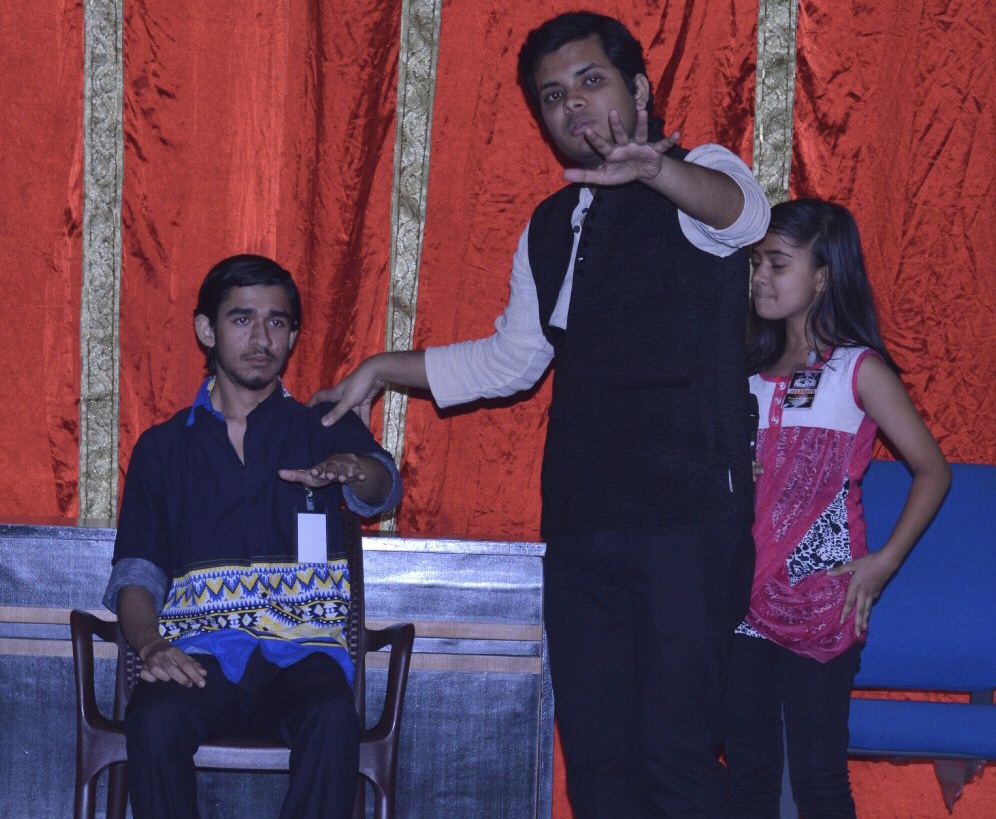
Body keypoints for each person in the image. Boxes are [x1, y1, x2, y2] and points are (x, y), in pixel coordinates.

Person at [311, 12, 770, 817]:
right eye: (554, 96)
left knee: (678, 754)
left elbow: (746, 216)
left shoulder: (700, 174)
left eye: (591, 82)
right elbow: (510, 361)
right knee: (596, 759)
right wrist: (384, 366)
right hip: (584, 524)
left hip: (690, 520)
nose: (574, 105)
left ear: (639, 89)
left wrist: (654, 170)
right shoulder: (553, 223)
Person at [102, 254, 402, 819]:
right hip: (198, 653)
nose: (261, 338)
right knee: (154, 717)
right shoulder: (163, 449)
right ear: (206, 330)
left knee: (332, 716)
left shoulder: (321, 426)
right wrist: (151, 645)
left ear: (293, 335)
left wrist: (353, 469)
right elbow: (137, 573)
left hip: (302, 654)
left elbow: (382, 487)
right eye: (242, 319)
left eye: (277, 322)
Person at [724, 200, 951, 819]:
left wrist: (883, 563)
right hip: (738, 597)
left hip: (823, 600)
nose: (760, 277)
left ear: (822, 277)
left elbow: (933, 470)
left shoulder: (858, 369)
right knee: (747, 775)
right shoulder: (740, 370)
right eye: (755, 263)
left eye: (777, 263)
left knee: (819, 777)